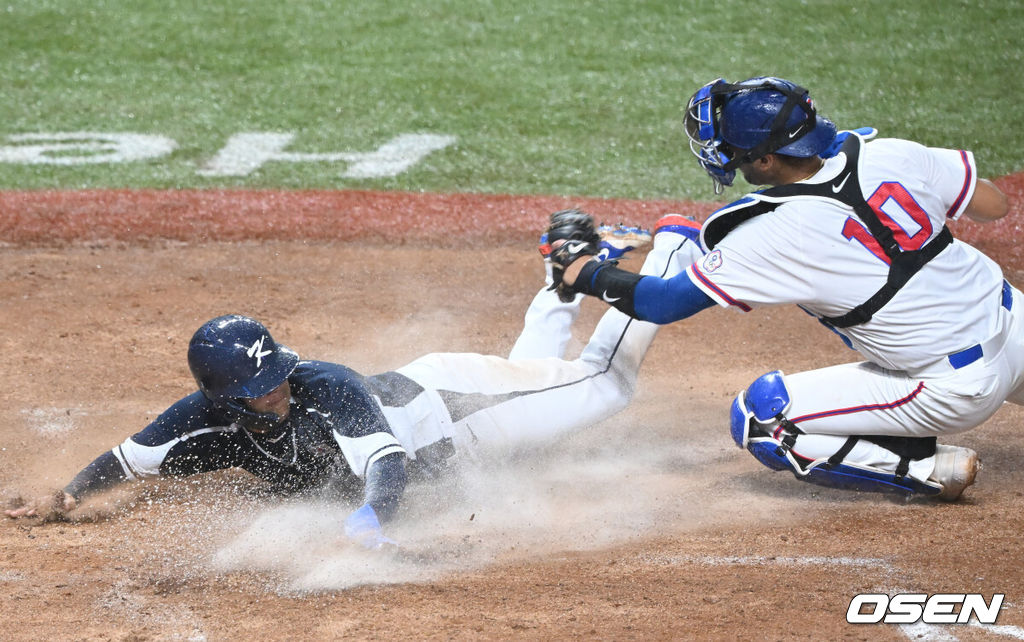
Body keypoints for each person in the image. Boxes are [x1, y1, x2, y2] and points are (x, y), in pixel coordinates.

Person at [5, 212, 704, 548]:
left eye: (276, 376)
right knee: (534, 373)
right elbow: (129, 460)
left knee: (601, 384)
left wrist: (375, 517)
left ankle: (672, 247)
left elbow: (387, 463)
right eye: (260, 390)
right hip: (451, 415)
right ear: (224, 400)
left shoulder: (326, 385)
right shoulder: (196, 421)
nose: (277, 389)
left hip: (459, 413)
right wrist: (64, 497)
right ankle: (566, 266)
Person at [547, 76, 1012, 501]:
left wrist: (582, 271)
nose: (721, 153)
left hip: (955, 387)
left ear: (766, 159)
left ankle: (925, 467)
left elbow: (661, 303)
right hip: (1015, 324)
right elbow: (994, 203)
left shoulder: (772, 236)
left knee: (762, 418)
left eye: (732, 148)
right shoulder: (890, 152)